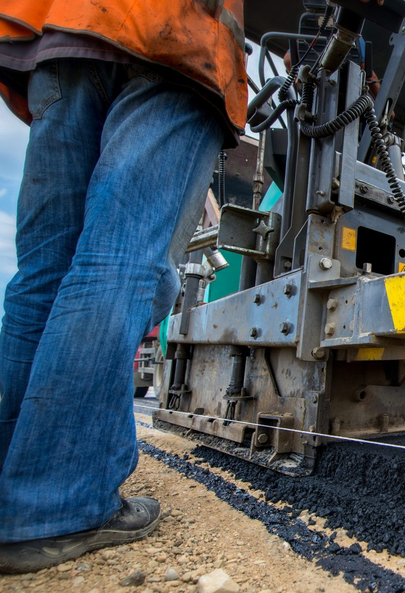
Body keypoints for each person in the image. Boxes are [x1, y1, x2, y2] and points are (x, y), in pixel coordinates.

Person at [0, 0, 246, 573]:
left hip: (64, 39)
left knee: (42, 277)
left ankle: (15, 497)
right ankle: (61, 502)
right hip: (172, 41)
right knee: (118, 267)